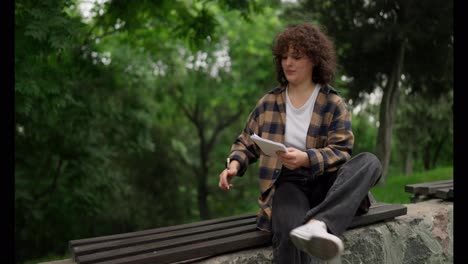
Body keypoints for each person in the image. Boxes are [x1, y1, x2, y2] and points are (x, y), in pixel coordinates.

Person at [218, 22, 382, 264]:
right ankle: (315, 225)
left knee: (370, 162)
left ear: (314, 60)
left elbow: (342, 151)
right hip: (289, 184)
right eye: (284, 57)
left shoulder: (333, 103)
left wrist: (307, 158)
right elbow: (246, 141)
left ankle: (318, 223)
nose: (288, 63)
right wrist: (233, 164)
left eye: (296, 56)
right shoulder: (268, 102)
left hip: (329, 182)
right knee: (288, 231)